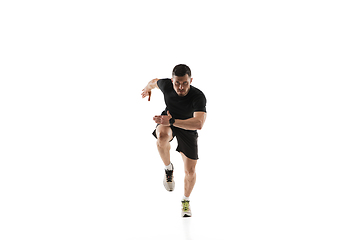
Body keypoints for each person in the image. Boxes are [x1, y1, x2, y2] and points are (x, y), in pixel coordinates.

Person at [141, 64, 207, 217]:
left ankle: (186, 201)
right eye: (177, 83)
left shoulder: (198, 96)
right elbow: (154, 81)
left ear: (191, 80)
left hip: (187, 127)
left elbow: (199, 124)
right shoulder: (166, 85)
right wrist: (147, 88)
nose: (181, 87)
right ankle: (168, 168)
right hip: (168, 121)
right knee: (162, 136)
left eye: (185, 83)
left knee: (190, 171)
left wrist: (171, 121)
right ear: (172, 81)